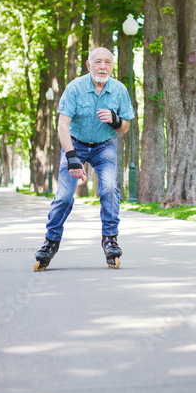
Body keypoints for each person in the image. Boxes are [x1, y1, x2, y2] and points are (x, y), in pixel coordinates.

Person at [34, 47, 135, 271]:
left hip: (105, 146)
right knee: (63, 196)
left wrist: (116, 120)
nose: (103, 67)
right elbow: (62, 125)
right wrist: (71, 157)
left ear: (112, 65)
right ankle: (51, 241)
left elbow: (125, 127)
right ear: (89, 65)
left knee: (109, 189)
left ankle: (110, 238)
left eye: (107, 62)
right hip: (76, 145)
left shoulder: (119, 90)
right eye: (98, 62)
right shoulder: (75, 88)